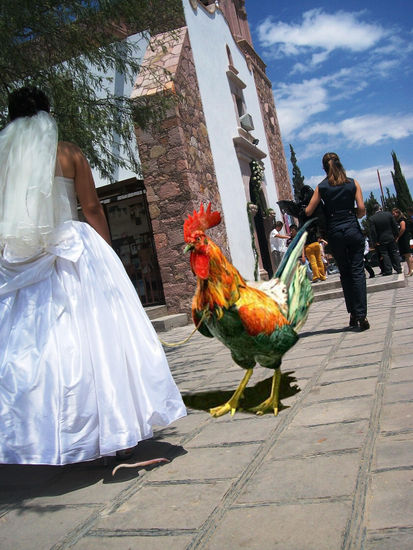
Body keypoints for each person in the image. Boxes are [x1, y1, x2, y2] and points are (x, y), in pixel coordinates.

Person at [0, 87, 186, 465]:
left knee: (36, 347)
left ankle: (38, 437)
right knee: (99, 341)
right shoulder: (68, 152)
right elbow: (90, 207)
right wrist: (104, 251)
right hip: (71, 247)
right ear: (47, 115)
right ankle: (116, 433)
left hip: (23, 256)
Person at [305, 152, 369, 330]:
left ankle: (353, 313)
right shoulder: (352, 182)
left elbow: (309, 210)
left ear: (324, 168)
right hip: (352, 229)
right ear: (340, 164)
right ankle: (362, 314)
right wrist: (353, 214)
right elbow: (362, 209)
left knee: (345, 273)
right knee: (357, 272)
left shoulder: (321, 186)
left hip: (335, 232)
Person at [369, 204, 402, 276]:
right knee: (394, 253)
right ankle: (398, 268)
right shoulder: (389, 215)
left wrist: (375, 241)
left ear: (374, 210)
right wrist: (396, 235)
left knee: (385, 255)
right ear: (380, 208)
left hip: (381, 239)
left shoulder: (372, 218)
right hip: (391, 237)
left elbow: (373, 231)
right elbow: (394, 225)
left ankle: (388, 270)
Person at [392, 207, 413, 276]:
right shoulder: (397, 220)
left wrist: (398, 237)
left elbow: (403, 228)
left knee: (408, 255)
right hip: (402, 239)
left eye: (394, 213)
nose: (393, 215)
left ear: (398, 213)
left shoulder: (402, 219)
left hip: (404, 238)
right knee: (407, 255)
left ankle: (411, 270)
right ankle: (411, 269)